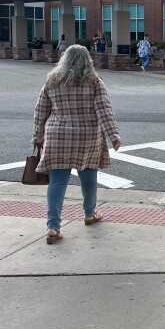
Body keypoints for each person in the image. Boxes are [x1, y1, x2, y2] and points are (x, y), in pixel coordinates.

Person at [32, 44, 122, 244]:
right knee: (88, 176)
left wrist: (38, 136)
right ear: (87, 60)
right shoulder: (94, 81)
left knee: (57, 181)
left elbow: (40, 111)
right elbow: (103, 109)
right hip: (87, 135)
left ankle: (53, 226)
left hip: (57, 135)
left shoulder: (52, 81)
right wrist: (113, 135)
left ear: (64, 60)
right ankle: (90, 214)